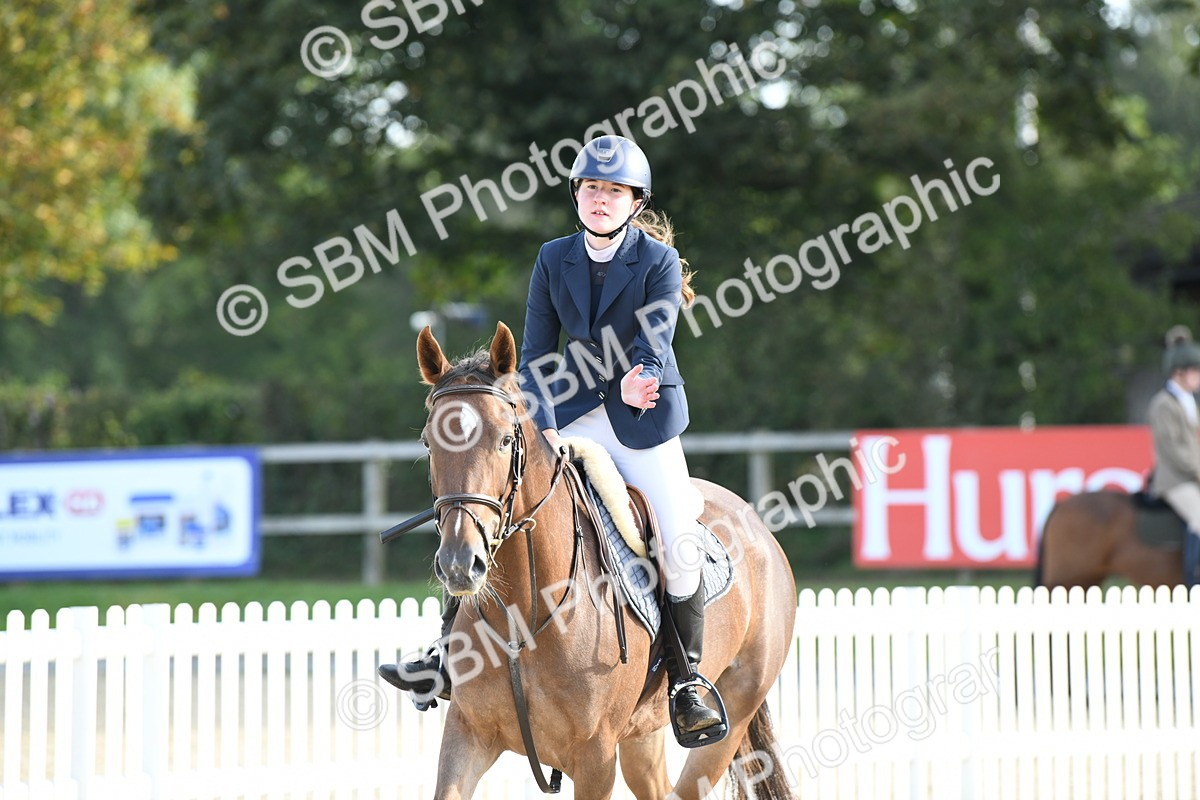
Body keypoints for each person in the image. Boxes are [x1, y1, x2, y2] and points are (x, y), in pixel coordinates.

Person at [380, 134, 724, 740]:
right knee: (494, 507)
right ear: (577, 194)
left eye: (614, 190)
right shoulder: (552, 257)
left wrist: (637, 378)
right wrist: (537, 409)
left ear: (634, 202)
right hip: (569, 414)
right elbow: (535, 353)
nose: (601, 198)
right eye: (592, 187)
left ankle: (689, 676)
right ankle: (444, 655)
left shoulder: (657, 263)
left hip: (642, 422)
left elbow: (654, 338)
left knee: (676, 531)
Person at [1147, 325, 1200, 588]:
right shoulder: (1163, 404)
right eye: (1195, 371)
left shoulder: (1188, 400)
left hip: (1191, 475)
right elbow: (1174, 449)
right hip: (1174, 480)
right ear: (1179, 373)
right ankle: (1194, 580)